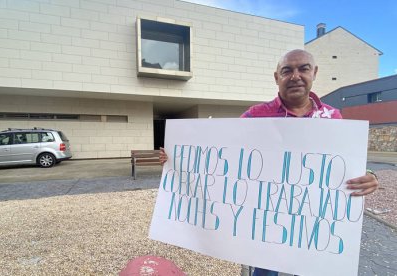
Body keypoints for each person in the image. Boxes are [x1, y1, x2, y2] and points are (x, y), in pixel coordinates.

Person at [159, 49, 379, 276]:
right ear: (277, 77)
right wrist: (177, 158)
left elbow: (345, 163)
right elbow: (222, 153)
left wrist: (370, 175)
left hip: (311, 222)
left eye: (303, 68)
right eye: (287, 71)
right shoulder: (256, 116)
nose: (295, 76)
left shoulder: (334, 118)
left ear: (314, 72)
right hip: (267, 223)